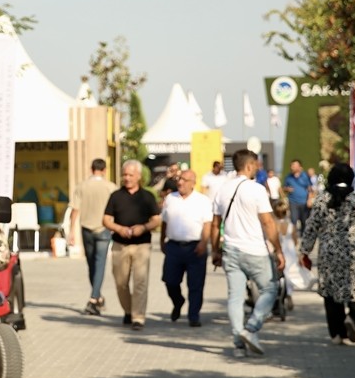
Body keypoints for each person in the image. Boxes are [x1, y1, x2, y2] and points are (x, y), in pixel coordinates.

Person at [299, 162, 355, 345]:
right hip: (354, 253)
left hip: (329, 255)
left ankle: (337, 334)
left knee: (331, 295)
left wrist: (304, 251)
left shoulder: (322, 200)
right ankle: (353, 318)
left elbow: (311, 227)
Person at [211, 149, 283, 357]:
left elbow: (216, 225)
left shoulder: (223, 189)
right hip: (255, 250)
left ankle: (238, 345)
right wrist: (278, 250)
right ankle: (251, 328)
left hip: (231, 249)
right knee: (270, 289)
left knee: (235, 297)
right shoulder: (257, 189)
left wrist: (214, 250)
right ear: (249, 166)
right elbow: (268, 222)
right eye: (256, 165)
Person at [102, 159, 161, 330]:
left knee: (140, 281)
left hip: (142, 245)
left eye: (130, 175)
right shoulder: (116, 196)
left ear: (138, 176)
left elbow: (156, 219)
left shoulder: (147, 197)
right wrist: (118, 228)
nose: (126, 178)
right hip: (120, 245)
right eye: (124, 175)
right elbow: (105, 219)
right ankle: (128, 310)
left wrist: (143, 227)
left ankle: (138, 317)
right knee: (121, 282)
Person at [159, 169, 212, 327]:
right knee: (170, 281)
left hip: (195, 247)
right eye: (179, 179)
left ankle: (193, 315)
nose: (180, 183)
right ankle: (178, 301)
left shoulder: (202, 200)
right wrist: (162, 240)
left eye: (184, 180)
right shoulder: (170, 198)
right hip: (174, 247)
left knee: (195, 284)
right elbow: (164, 221)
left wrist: (204, 242)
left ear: (193, 183)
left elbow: (207, 224)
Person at [70, 159, 117, 316]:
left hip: (86, 229)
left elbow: (75, 209)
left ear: (92, 169)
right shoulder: (111, 187)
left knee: (91, 265)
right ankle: (95, 297)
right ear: (104, 170)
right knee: (100, 265)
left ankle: (94, 297)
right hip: (104, 229)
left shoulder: (82, 186)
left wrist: (71, 231)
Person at [283, 159, 313, 233]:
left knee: (304, 220)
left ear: (299, 167)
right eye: (291, 165)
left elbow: (310, 188)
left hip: (304, 202)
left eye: (294, 165)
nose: (292, 167)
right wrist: (287, 189)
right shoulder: (288, 177)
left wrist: (309, 199)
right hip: (293, 202)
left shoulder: (305, 176)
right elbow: (284, 188)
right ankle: (294, 237)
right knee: (293, 219)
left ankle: (303, 237)